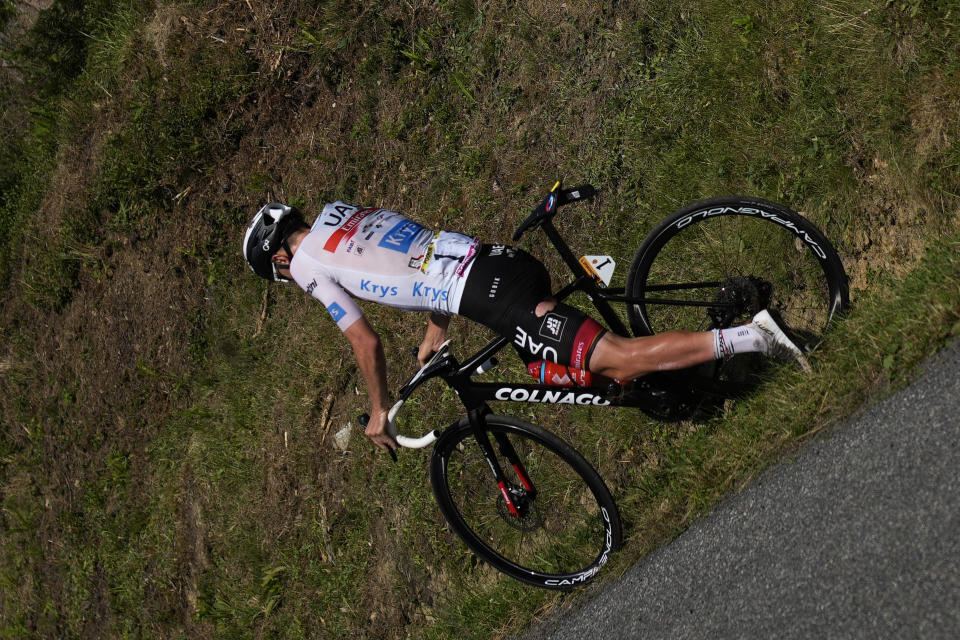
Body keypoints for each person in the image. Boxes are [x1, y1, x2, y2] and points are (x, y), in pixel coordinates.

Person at [242, 201, 810, 453]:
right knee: (546, 365)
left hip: (491, 294)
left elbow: (364, 341)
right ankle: (696, 392)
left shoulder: (310, 265)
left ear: (278, 262)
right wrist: (437, 326)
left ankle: (756, 337)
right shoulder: (342, 217)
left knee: (619, 357)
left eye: (278, 275)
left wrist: (377, 409)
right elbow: (418, 254)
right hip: (498, 266)